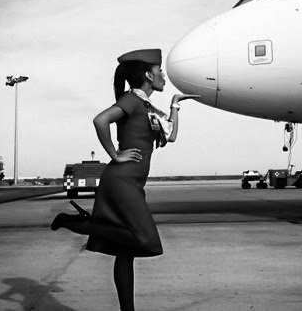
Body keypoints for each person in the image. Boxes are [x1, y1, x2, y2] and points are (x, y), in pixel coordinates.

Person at [51, 48, 199, 311]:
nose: (163, 75)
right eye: (160, 71)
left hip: (132, 183)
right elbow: (100, 120)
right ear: (148, 75)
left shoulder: (146, 105)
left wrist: (175, 104)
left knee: (125, 250)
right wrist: (115, 155)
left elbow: (171, 135)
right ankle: (76, 223)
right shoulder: (131, 100)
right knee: (145, 239)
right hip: (121, 181)